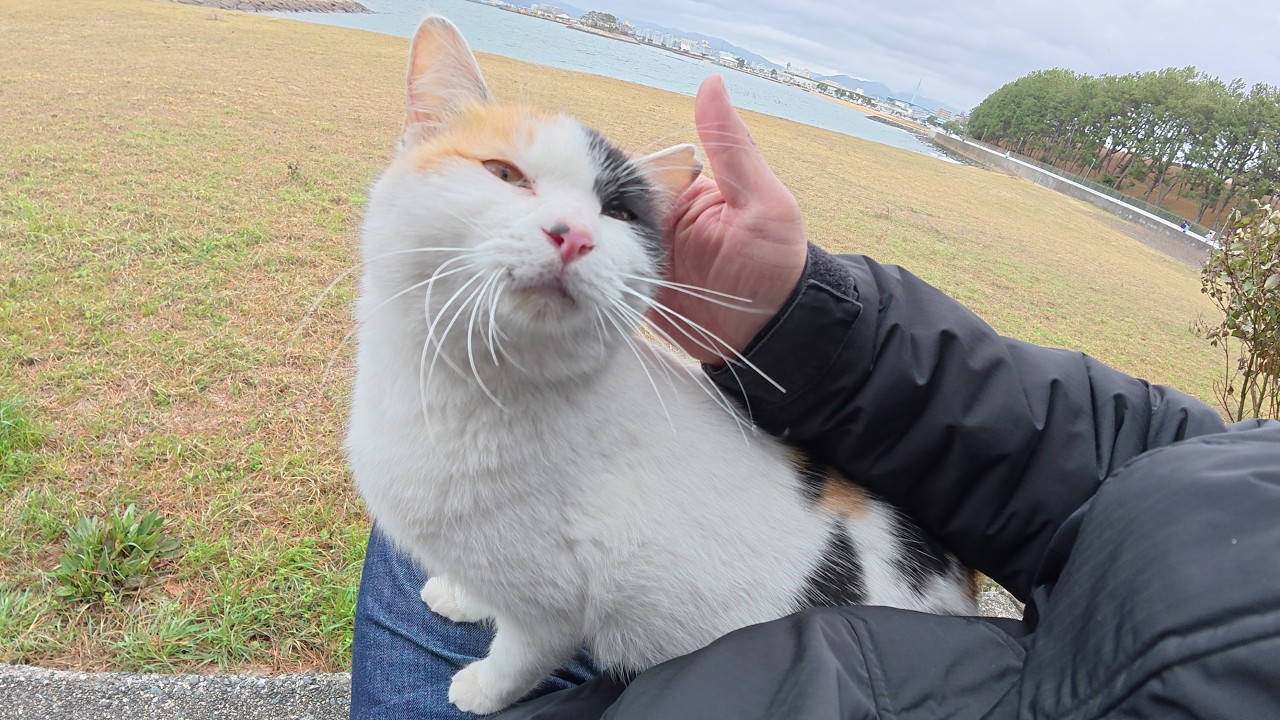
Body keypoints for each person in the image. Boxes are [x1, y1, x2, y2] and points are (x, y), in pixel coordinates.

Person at [349, 75, 1280, 720]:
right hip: (890, 612)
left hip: (774, 656)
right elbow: (1134, 451)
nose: (567, 228)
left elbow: (557, 600)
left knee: (444, 545)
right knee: (440, 537)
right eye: (507, 175)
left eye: (616, 213)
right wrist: (794, 305)